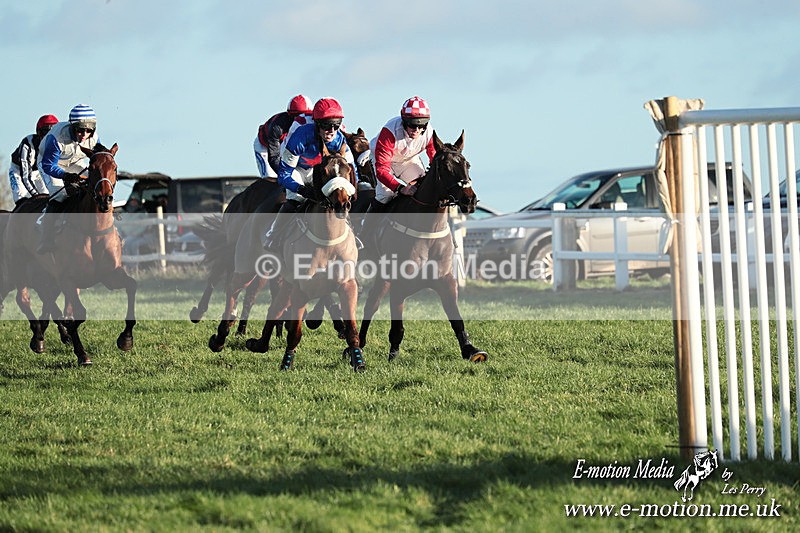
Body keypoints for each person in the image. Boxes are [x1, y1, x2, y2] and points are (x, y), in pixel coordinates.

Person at [263, 97, 358, 250]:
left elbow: (352, 171)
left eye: (336, 125)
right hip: (297, 169)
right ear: (317, 124)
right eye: (327, 126)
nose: (332, 131)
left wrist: (352, 189)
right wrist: (302, 189)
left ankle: (352, 233)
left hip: (319, 170)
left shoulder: (339, 140)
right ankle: (274, 234)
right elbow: (284, 175)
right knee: (295, 198)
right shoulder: (301, 136)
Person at [358, 96, 436, 245]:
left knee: (423, 188)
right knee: (385, 195)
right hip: (385, 161)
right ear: (404, 121)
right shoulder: (390, 131)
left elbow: (434, 159)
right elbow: (382, 170)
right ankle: (364, 235)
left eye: (421, 126)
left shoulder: (429, 133)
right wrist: (400, 188)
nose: (417, 130)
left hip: (408, 160)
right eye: (412, 125)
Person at [36, 104, 100, 253]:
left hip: (75, 162)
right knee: (59, 194)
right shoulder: (56, 138)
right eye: (80, 129)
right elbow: (48, 165)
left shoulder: (94, 138)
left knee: (98, 183)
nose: (84, 134)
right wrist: (65, 175)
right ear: (72, 127)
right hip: (50, 164)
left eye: (89, 130)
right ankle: (46, 238)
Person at [254, 94, 313, 180]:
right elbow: (274, 157)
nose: (299, 119)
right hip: (265, 146)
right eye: (295, 115)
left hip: (284, 146)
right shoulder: (277, 128)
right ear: (289, 114)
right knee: (270, 176)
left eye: (303, 115)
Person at [8, 114, 59, 205]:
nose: (49, 138)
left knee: (47, 196)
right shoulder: (27, 144)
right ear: (39, 133)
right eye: (46, 133)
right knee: (21, 199)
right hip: (19, 171)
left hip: (38, 172)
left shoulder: (57, 146)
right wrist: (36, 196)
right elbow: (25, 176)